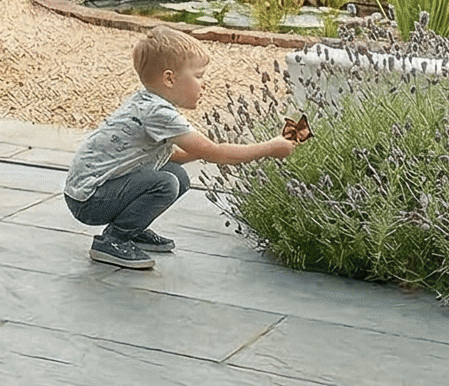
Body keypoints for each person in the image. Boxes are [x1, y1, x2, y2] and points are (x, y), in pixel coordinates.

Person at [66, 26, 295, 270]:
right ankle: (114, 240)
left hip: (89, 191)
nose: (203, 85)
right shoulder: (158, 112)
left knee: (177, 176)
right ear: (169, 79)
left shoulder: (147, 102)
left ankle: (130, 228)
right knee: (166, 183)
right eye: (198, 76)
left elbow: (170, 156)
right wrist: (269, 148)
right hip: (89, 200)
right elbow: (215, 153)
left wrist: (201, 149)